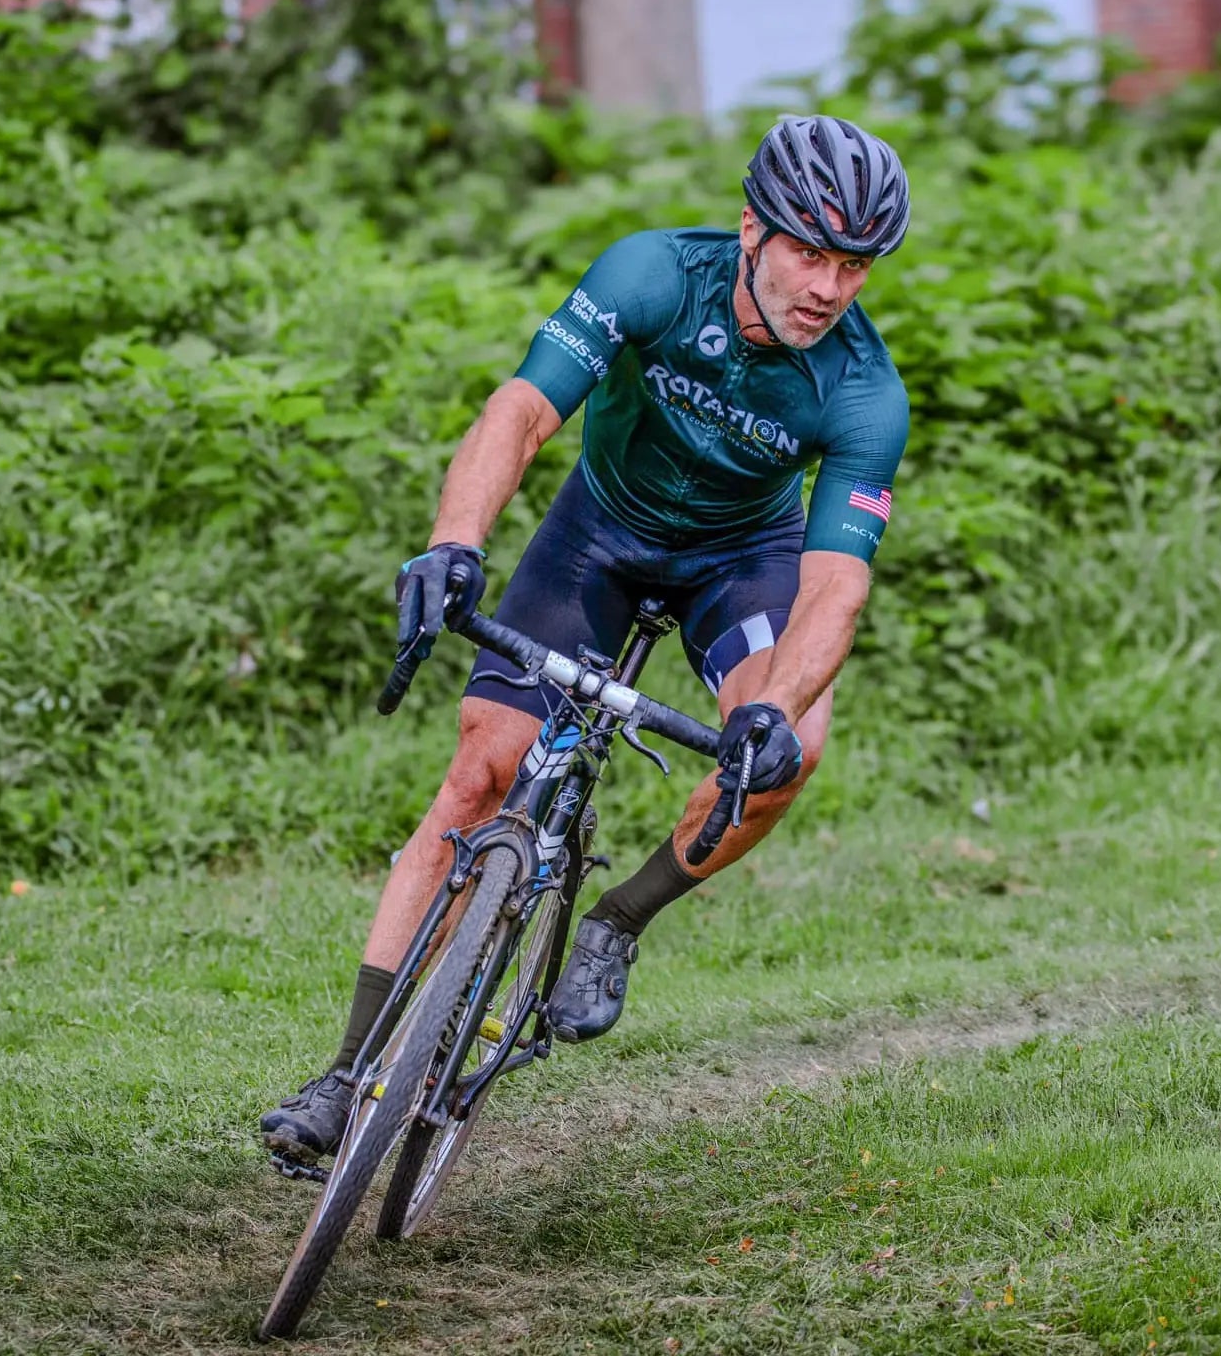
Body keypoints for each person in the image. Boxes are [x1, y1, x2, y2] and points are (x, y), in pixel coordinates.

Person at [261, 115, 911, 1164]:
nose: (827, 287)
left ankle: (616, 919)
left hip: (739, 562)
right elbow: (520, 411)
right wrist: (453, 545)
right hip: (598, 534)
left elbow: (835, 583)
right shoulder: (655, 273)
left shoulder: (866, 391)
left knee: (794, 751)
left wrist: (770, 709)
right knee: (482, 768)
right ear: (754, 228)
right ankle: (343, 1077)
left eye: (853, 266)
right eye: (807, 251)